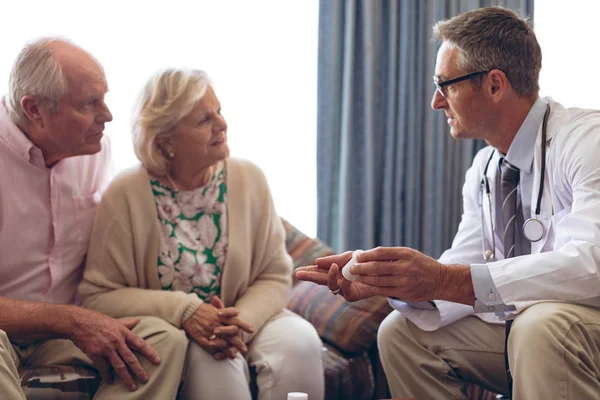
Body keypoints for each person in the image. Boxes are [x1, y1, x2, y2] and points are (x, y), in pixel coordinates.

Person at [295, 6, 600, 400]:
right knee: (402, 333)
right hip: (535, 329)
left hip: (572, 325)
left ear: (494, 85)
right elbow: (463, 268)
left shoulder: (588, 142)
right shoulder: (485, 168)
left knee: (539, 325)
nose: (436, 102)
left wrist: (444, 279)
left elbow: (592, 265)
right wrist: (389, 279)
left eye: (445, 85)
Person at [78, 67, 325, 400]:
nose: (221, 124)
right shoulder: (126, 193)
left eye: (218, 112)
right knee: (213, 361)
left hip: (247, 318)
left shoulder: (249, 178)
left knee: (302, 342)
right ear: (165, 140)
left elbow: (275, 273)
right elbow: (99, 295)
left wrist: (238, 323)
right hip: (182, 330)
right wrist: (185, 311)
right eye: (203, 120)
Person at [0, 38, 188, 400]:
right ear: (35, 109)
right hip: (9, 329)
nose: (108, 115)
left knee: (162, 340)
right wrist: (70, 320)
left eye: (104, 98)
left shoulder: (94, 150)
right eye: (90, 103)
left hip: (61, 334)